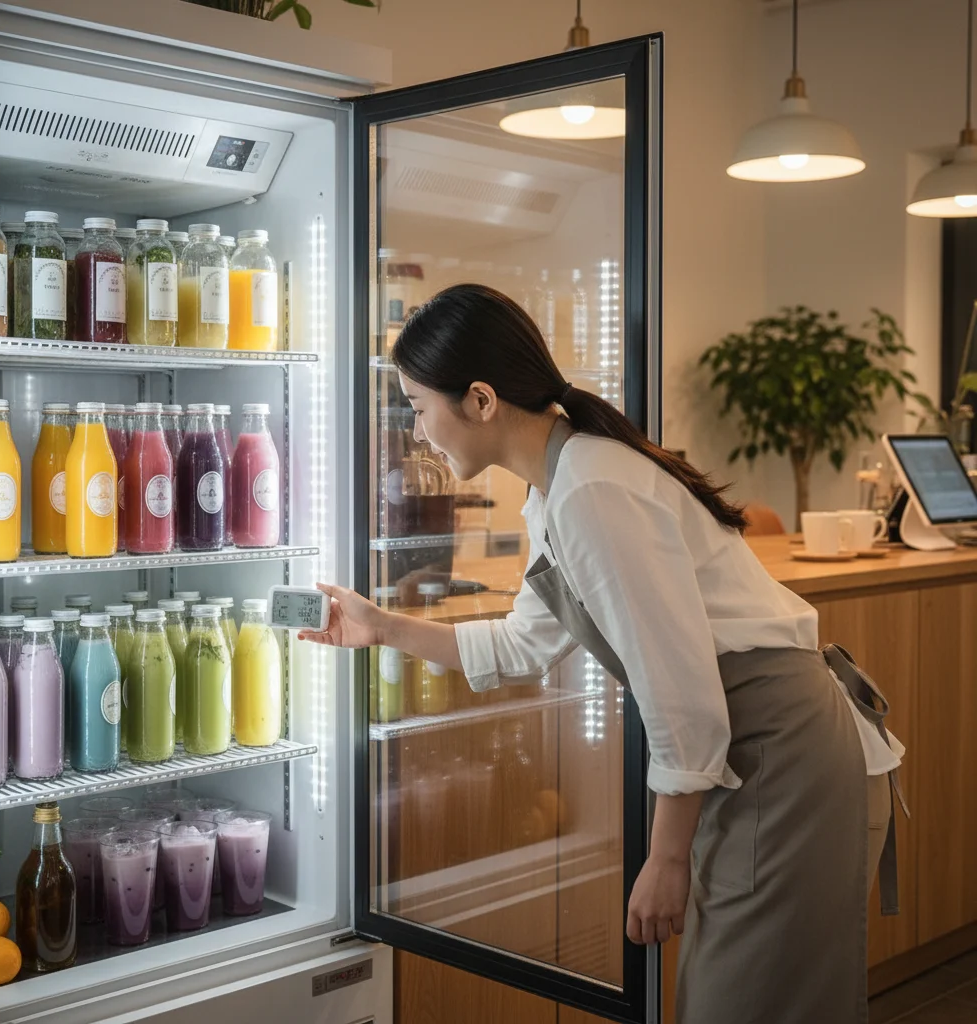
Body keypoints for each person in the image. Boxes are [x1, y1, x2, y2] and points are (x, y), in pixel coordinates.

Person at [300, 283, 906, 1024]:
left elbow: (680, 693)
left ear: (481, 400)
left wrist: (667, 858)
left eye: (418, 408)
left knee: (746, 1003)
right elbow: (523, 643)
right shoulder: (557, 486)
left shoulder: (590, 488)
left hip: (785, 761)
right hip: (759, 757)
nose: (418, 432)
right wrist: (381, 627)